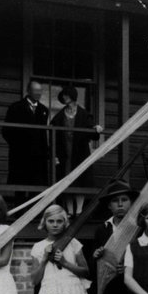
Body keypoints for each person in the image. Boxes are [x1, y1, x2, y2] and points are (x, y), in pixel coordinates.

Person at [91, 179, 140, 294]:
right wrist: (97, 255)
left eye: (124, 200)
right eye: (115, 201)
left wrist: (127, 268)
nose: (120, 204)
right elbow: (95, 261)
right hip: (109, 285)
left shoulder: (138, 227)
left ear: (131, 203)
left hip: (132, 284)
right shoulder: (102, 229)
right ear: (109, 206)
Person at [32, 205, 93, 294]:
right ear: (44, 222)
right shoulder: (38, 247)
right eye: (51, 221)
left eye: (59, 221)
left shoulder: (73, 243)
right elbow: (34, 280)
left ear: (65, 223)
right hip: (49, 292)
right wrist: (44, 259)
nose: (55, 225)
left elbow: (86, 272)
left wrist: (64, 262)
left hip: (72, 290)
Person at [50, 85, 103, 214]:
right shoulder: (60, 115)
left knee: (81, 180)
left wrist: (96, 129)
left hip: (80, 153)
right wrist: (54, 154)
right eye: (63, 95)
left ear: (73, 96)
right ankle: (69, 211)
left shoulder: (83, 114)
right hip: (65, 153)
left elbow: (92, 133)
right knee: (66, 180)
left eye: (67, 95)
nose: (64, 97)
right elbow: (53, 134)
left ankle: (79, 211)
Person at [2, 80, 51, 191]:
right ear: (28, 91)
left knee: (37, 188)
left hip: (38, 156)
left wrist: (45, 151)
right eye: (35, 90)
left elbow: (43, 134)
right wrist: (18, 146)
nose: (38, 93)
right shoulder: (16, 107)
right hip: (20, 155)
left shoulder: (43, 110)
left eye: (40, 91)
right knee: (20, 187)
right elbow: (6, 131)